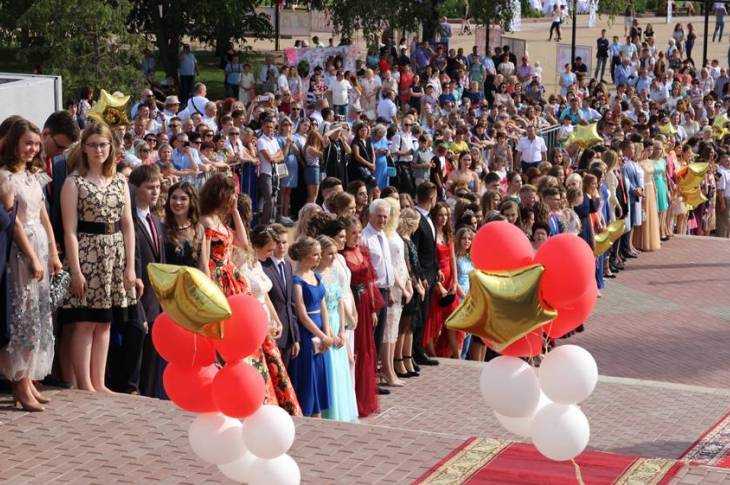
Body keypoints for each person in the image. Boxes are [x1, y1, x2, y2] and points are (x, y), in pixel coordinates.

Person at [0, 119, 62, 411]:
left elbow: (44, 216)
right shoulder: (5, 177)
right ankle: (19, 382)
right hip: (20, 251)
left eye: (36, 144)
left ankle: (29, 379)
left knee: (38, 315)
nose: (33, 149)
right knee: (23, 316)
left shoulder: (34, 176)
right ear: (14, 143)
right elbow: (13, 223)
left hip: (40, 242)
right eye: (28, 143)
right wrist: (33, 256)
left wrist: (53, 252)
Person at [246, 226, 302, 416]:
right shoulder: (243, 267)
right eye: (269, 249)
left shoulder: (258, 264)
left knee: (275, 370)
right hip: (254, 323)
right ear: (256, 246)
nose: (271, 253)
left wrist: (277, 320)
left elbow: (266, 296)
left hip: (268, 322)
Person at [127, 164, 166, 397]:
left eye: (158, 187)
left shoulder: (156, 220)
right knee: (135, 351)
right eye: (150, 187)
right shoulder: (130, 220)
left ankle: (147, 393)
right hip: (137, 295)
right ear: (135, 188)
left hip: (155, 300)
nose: (155, 192)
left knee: (151, 356)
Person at [341, 216, 381, 416]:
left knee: (366, 348)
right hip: (351, 303)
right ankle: (352, 398)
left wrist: (373, 308)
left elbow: (370, 280)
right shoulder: (341, 255)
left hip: (365, 303)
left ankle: (364, 398)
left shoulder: (362, 251)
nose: (356, 236)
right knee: (354, 348)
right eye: (353, 233)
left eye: (358, 232)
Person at [316, 235, 358, 423]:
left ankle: (344, 411)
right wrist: (331, 334)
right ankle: (331, 412)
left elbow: (340, 301)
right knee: (330, 367)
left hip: (337, 322)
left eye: (334, 253)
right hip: (325, 325)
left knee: (342, 368)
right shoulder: (316, 276)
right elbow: (322, 305)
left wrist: (342, 329)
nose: (333, 257)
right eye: (329, 254)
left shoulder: (333, 273)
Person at [289, 237, 331, 417]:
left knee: (319, 375)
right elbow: (303, 316)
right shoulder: (296, 280)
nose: (319, 258)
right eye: (315, 254)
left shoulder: (317, 276)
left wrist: (327, 332)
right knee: (308, 376)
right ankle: (308, 414)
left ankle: (317, 414)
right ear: (305, 256)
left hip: (320, 334)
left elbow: (323, 306)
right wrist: (322, 336)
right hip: (307, 336)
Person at [261, 223, 300, 367]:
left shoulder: (288, 265)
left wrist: (295, 337)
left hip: (288, 335)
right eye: (278, 243)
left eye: (284, 242)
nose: (282, 246)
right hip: (273, 332)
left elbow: (291, 303)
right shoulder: (263, 266)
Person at [422, 202, 458, 358]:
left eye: (446, 215)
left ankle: (455, 354)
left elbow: (453, 259)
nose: (443, 218)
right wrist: (437, 283)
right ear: (435, 216)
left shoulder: (448, 234)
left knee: (451, 319)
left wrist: (455, 281)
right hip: (436, 279)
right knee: (433, 318)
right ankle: (432, 353)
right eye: (440, 215)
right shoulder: (431, 234)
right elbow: (430, 261)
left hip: (449, 279)